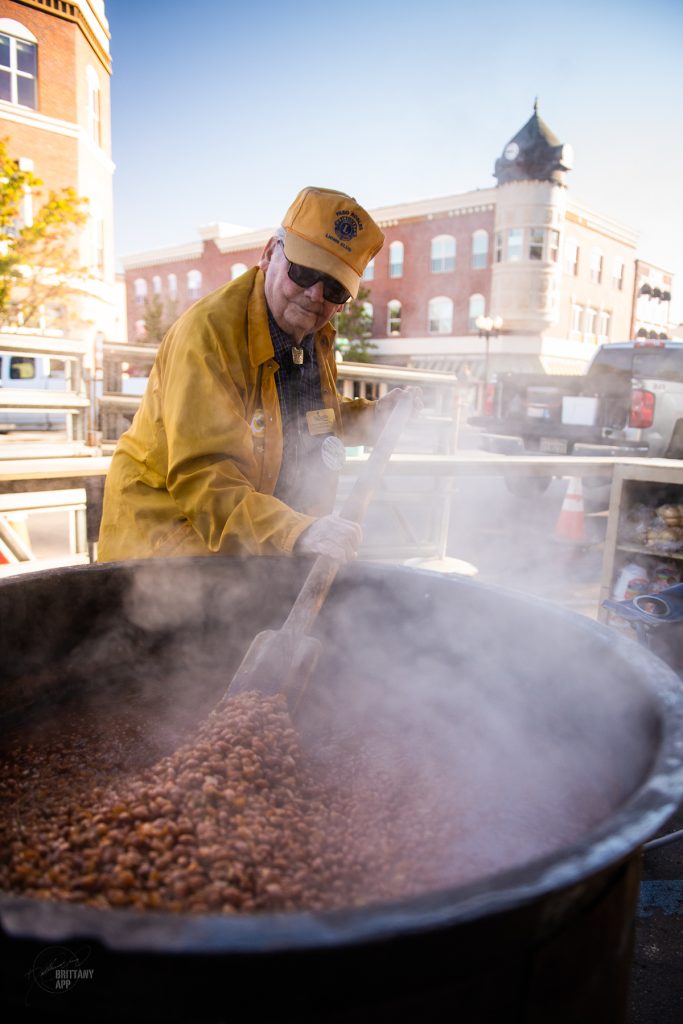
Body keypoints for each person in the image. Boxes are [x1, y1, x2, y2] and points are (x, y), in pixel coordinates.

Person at [97, 186, 418, 564]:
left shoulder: (315, 335)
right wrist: (298, 531)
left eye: (334, 288)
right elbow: (206, 479)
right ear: (269, 254)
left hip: (257, 547)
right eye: (304, 272)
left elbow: (307, 419)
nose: (315, 295)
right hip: (167, 554)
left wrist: (375, 417)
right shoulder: (209, 335)